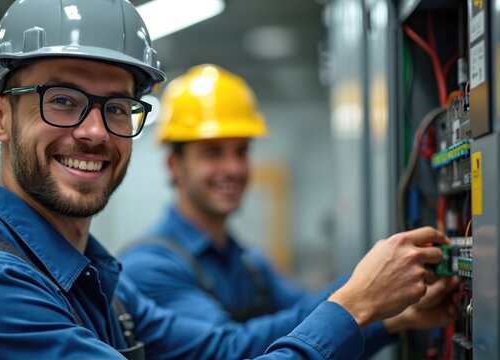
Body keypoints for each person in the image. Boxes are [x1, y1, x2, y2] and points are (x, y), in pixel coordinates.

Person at [0, 1, 459, 359]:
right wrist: (354, 309)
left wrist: (386, 313)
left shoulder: (95, 275)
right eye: (61, 100)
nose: (94, 132)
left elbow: (225, 348)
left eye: (117, 106)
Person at [120, 64, 463, 357]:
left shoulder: (247, 262)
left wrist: (392, 315)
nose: (234, 168)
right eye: (212, 153)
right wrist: (364, 291)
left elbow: (310, 325)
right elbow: (230, 350)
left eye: (241, 151)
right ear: (174, 165)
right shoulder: (151, 267)